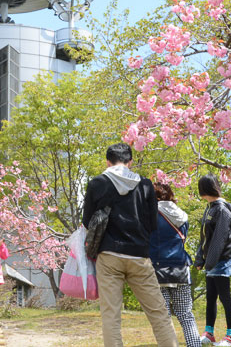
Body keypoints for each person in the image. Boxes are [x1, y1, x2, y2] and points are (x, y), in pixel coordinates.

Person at [81, 142, 178, 347]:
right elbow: (152, 224)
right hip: (139, 256)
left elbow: (87, 220)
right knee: (158, 312)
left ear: (108, 161)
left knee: (111, 315)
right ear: (130, 162)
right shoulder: (145, 185)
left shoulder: (97, 183)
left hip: (108, 256)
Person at [150, 181, 201, 347]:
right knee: (186, 315)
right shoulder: (183, 216)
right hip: (181, 268)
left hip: (158, 271)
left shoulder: (150, 214)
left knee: (163, 318)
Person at [194, 175, 231, 347]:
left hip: (222, 261)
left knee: (225, 298)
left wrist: (210, 262)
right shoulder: (209, 208)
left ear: (204, 189)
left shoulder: (222, 209)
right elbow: (204, 237)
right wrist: (200, 259)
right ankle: (209, 333)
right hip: (211, 262)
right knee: (211, 298)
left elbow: (220, 239)